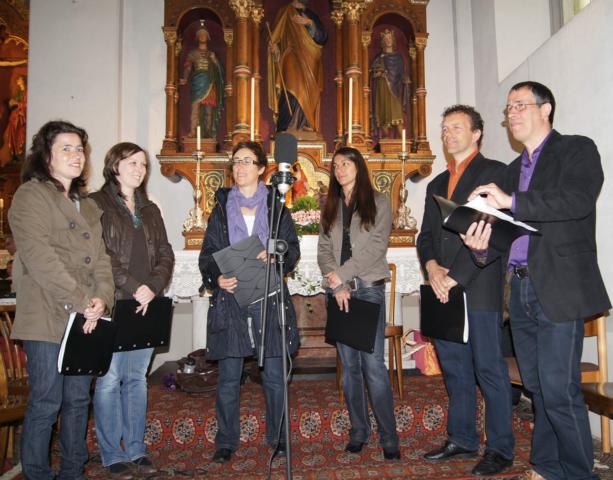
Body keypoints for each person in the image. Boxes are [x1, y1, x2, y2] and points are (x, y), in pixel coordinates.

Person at [463, 81, 611, 480]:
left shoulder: (576, 150)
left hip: (559, 286)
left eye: (520, 105)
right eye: (508, 108)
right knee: (539, 388)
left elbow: (577, 200)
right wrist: (480, 246)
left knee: (559, 389)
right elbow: (504, 236)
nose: (511, 113)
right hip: (519, 287)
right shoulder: (511, 171)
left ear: (546, 109)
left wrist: (511, 201)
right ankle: (547, 467)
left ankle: (580, 474)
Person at [8, 120, 114, 479]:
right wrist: (83, 299)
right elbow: (40, 259)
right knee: (46, 401)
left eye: (79, 149)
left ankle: (72, 471)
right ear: (45, 156)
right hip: (47, 314)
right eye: (66, 148)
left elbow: (101, 260)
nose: (76, 155)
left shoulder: (88, 205)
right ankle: (37, 473)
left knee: (78, 400)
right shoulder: (31, 196)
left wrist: (102, 299)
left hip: (85, 317)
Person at [416, 105, 514, 475]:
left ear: (476, 134)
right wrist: (431, 266)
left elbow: (493, 231)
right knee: (454, 368)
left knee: (488, 368)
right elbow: (426, 236)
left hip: (479, 282)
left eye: (456, 127)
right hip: (443, 286)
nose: (448, 133)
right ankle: (462, 438)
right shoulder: (436, 184)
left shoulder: (495, 173)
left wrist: (453, 276)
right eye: (444, 128)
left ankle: (500, 449)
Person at [199, 141, 300, 463]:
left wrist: (276, 253)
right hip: (231, 301)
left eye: (247, 161)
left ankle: (278, 438)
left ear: (261, 168)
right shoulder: (220, 207)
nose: (240, 166)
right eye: (236, 161)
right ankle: (226, 441)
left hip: (268, 297)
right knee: (229, 377)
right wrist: (217, 277)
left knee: (274, 376)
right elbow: (207, 255)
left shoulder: (276, 206)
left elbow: (292, 249)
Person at [90, 143, 175, 480]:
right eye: (132, 163)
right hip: (114, 301)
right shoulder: (96, 204)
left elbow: (166, 253)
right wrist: (132, 284)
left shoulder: (150, 209)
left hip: (145, 304)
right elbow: (99, 254)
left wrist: (152, 286)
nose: (139, 169)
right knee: (110, 379)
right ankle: (112, 454)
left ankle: (137, 450)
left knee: (137, 379)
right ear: (115, 166)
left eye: (143, 164)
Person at [317, 146, 400, 460]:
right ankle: (359, 431)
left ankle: (389, 437)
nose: (339, 169)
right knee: (349, 366)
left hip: (367, 290)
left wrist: (341, 275)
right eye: (335, 165)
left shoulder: (379, 202)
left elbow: (376, 248)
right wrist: (337, 283)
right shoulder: (331, 205)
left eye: (346, 163)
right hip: (338, 293)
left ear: (358, 167)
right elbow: (324, 250)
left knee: (373, 366)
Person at [267, 0, 327, 134]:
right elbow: (275, 37)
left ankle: (305, 123)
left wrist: (310, 23)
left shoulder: (311, 15)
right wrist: (275, 48)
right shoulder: (285, 12)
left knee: (308, 91)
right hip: (291, 54)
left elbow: (322, 38)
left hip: (311, 58)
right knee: (291, 86)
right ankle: (286, 125)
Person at [180, 23, 225, 139]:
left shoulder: (211, 54)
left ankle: (208, 133)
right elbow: (188, 67)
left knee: (209, 110)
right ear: (197, 37)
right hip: (197, 82)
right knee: (195, 108)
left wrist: (215, 61)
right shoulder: (193, 53)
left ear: (208, 37)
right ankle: (192, 131)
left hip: (209, 83)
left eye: (204, 34)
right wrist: (185, 78)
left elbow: (220, 70)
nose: (202, 36)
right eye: (200, 34)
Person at [370, 29, 410, 140]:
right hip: (382, 87)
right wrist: (378, 73)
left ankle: (402, 139)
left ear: (393, 40)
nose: (388, 40)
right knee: (383, 111)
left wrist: (404, 78)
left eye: (390, 38)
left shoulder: (398, 57)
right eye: (386, 39)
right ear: (383, 41)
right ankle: (386, 137)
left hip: (395, 88)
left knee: (397, 113)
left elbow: (401, 73)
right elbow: (373, 72)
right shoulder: (379, 57)